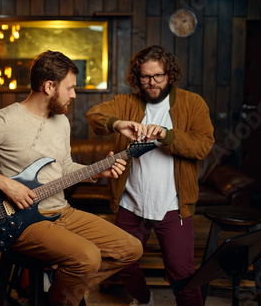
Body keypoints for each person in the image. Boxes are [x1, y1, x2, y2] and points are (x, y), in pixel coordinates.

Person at [0, 50, 143, 306]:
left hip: (63, 212)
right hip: (23, 221)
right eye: (70, 88)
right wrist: (8, 185)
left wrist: (97, 171)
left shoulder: (61, 121)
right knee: (88, 257)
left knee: (130, 248)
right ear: (49, 86)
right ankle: (63, 292)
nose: (74, 95)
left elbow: (64, 167)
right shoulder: (4, 120)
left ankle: (58, 292)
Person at [86, 45, 215, 306]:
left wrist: (167, 136)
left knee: (183, 276)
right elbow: (94, 115)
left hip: (173, 206)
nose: (152, 83)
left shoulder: (192, 103)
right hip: (131, 204)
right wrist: (119, 124)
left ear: (170, 74)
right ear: (138, 77)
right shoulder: (126, 103)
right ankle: (144, 299)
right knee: (121, 263)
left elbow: (202, 145)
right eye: (145, 77)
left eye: (158, 76)